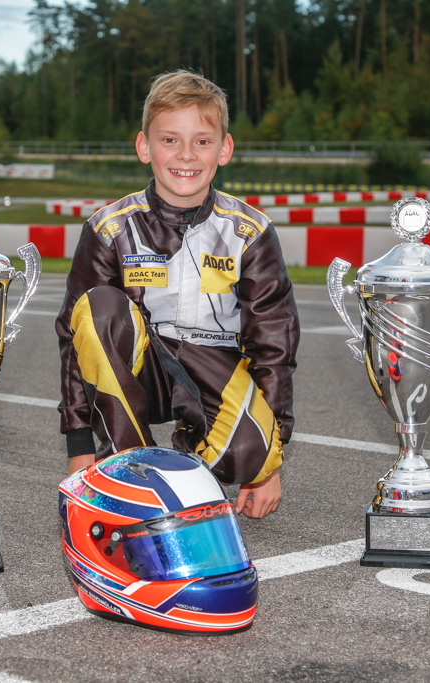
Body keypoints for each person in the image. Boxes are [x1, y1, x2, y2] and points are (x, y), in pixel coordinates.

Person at [54, 69, 299, 519]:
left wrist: (268, 461)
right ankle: (127, 469)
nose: (186, 155)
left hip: (214, 367)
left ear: (224, 149)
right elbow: (75, 342)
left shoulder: (250, 231)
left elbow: (274, 346)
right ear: (144, 146)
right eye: (170, 140)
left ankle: (191, 462)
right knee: (99, 309)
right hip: (140, 369)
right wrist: (78, 445)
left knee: (251, 451)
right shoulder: (110, 227)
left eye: (202, 141)